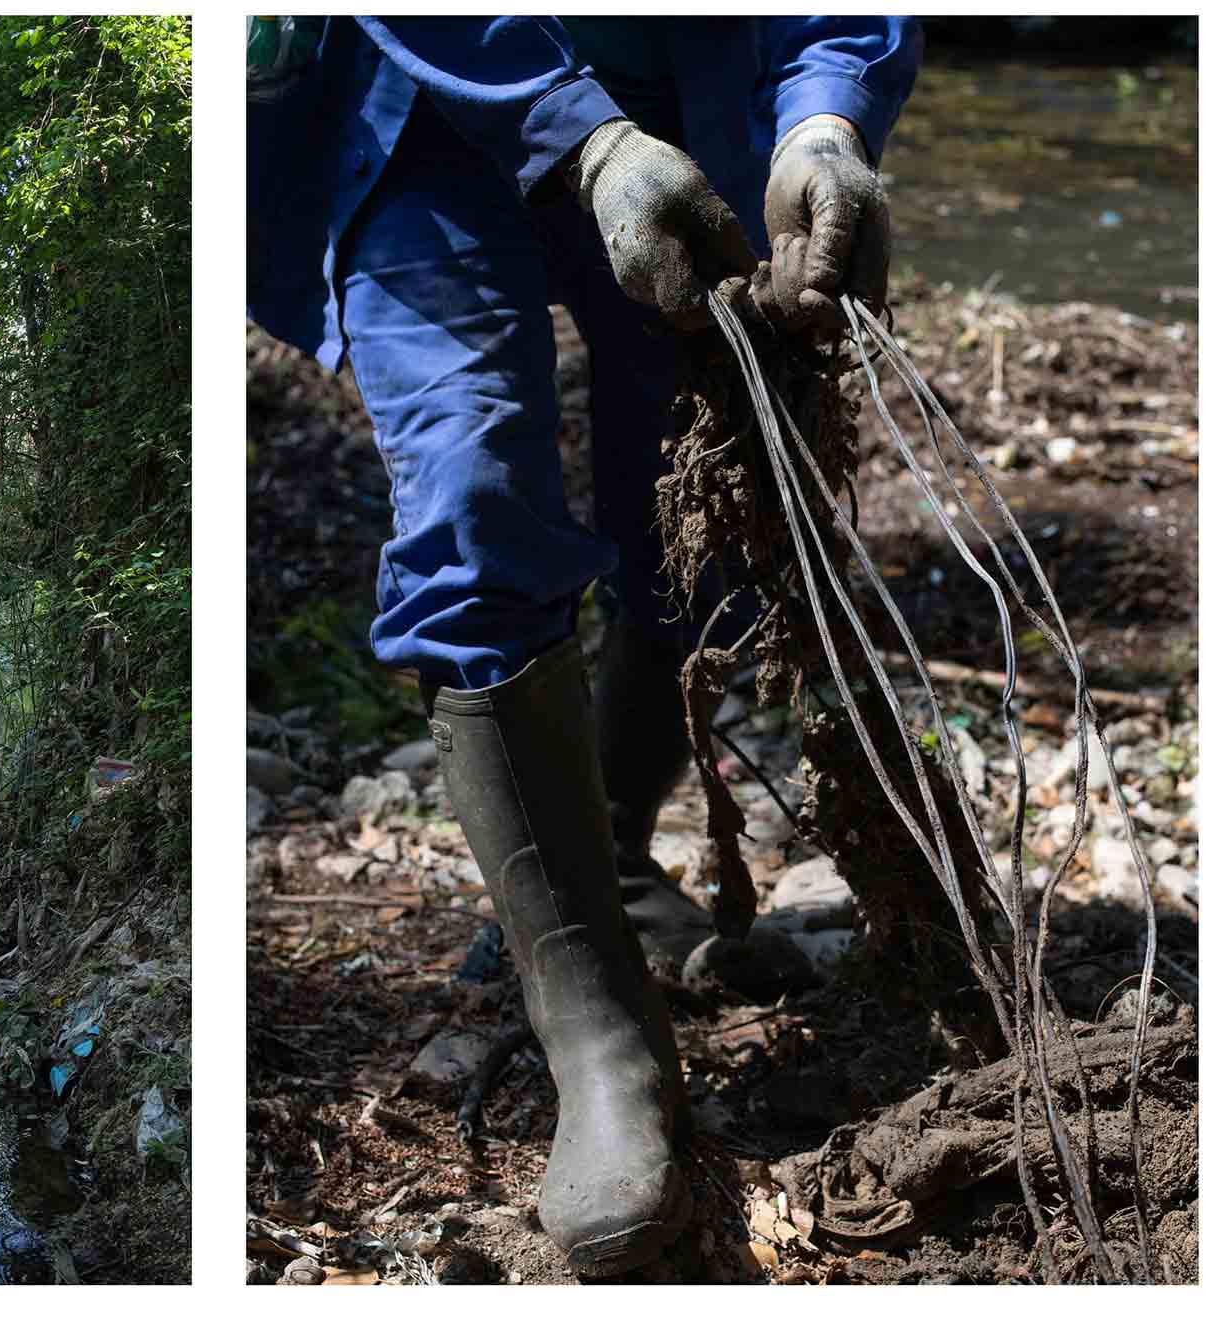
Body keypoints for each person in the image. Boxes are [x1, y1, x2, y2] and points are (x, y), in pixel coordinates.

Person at [247, 17, 920, 1277]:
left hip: (693, 100)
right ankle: (605, 1044)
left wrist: (825, 118)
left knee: (700, 505)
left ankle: (603, 858)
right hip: (426, 108)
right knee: (469, 497)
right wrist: (585, 137)